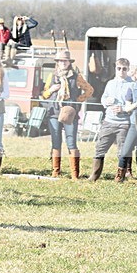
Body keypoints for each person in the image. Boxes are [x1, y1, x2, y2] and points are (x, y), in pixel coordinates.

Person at [40, 49, 94, 179]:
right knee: (56, 142)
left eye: (65, 60)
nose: (63, 63)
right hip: (54, 113)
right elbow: (44, 94)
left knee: (71, 142)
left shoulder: (76, 76)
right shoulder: (52, 76)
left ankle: (75, 174)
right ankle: (55, 171)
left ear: (69, 62)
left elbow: (89, 90)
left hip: (70, 113)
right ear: (57, 63)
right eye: (60, 61)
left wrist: (76, 102)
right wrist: (52, 89)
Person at [88, 58, 132, 181]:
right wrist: (106, 102)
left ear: (128, 69)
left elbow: (134, 104)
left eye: (124, 69)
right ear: (116, 69)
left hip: (124, 123)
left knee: (122, 152)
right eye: (119, 68)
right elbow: (103, 98)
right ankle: (94, 175)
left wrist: (122, 109)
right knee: (100, 148)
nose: (121, 71)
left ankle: (121, 177)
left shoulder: (132, 84)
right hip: (108, 121)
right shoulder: (110, 83)